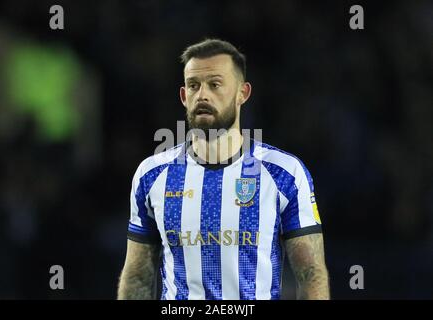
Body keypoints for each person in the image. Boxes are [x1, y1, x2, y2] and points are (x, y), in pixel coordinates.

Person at [117, 39, 329, 300]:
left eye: (215, 84)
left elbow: (310, 273)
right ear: (184, 96)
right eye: (193, 86)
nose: (203, 95)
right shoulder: (152, 175)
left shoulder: (284, 173)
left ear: (243, 93)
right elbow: (138, 276)